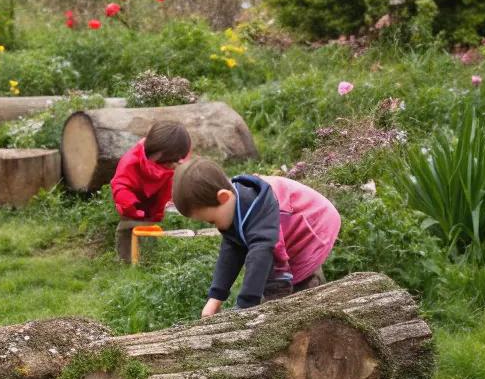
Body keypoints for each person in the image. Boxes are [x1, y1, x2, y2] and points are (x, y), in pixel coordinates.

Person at [173, 158, 341, 314]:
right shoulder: (234, 206)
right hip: (285, 229)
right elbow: (231, 250)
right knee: (269, 276)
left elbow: (263, 256)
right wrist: (216, 297)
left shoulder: (259, 212)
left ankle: (313, 309)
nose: (216, 227)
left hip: (312, 227)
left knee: (298, 289)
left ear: (223, 197)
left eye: (212, 221)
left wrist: (246, 306)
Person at [110, 119, 193, 262]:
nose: (172, 165)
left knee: (153, 227)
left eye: (175, 161)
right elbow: (120, 185)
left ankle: (153, 257)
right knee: (129, 227)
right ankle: (126, 260)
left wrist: (162, 210)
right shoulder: (131, 162)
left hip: (156, 199)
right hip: (133, 200)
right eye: (168, 161)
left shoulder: (173, 163)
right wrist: (129, 206)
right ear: (154, 151)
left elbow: (170, 187)